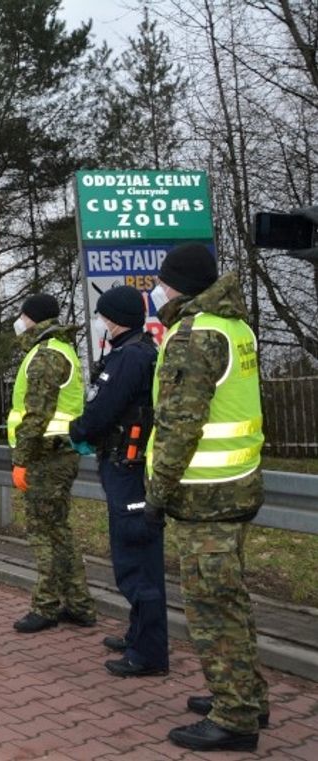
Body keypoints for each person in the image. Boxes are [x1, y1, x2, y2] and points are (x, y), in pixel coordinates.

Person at [145, 243, 268, 752]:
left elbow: (180, 424)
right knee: (232, 600)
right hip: (238, 488)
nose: (158, 289)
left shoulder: (195, 335)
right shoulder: (234, 326)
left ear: (178, 284)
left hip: (203, 499)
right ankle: (247, 695)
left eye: (163, 281)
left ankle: (234, 718)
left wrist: (157, 493)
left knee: (212, 606)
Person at [68, 286, 168, 678]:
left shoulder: (129, 358)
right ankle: (139, 635)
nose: (100, 321)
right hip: (126, 468)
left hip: (128, 472)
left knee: (136, 560)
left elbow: (102, 409)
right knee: (134, 556)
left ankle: (149, 653)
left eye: (103, 315)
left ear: (115, 319)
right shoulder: (139, 352)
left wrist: (79, 430)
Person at [6, 294, 96, 633]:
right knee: (59, 532)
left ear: (32, 318)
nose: (19, 321)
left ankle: (45, 607)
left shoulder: (45, 356)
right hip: (59, 453)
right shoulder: (61, 349)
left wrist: (21, 459)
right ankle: (79, 604)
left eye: (22, 315)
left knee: (42, 533)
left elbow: (36, 415)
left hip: (46, 456)